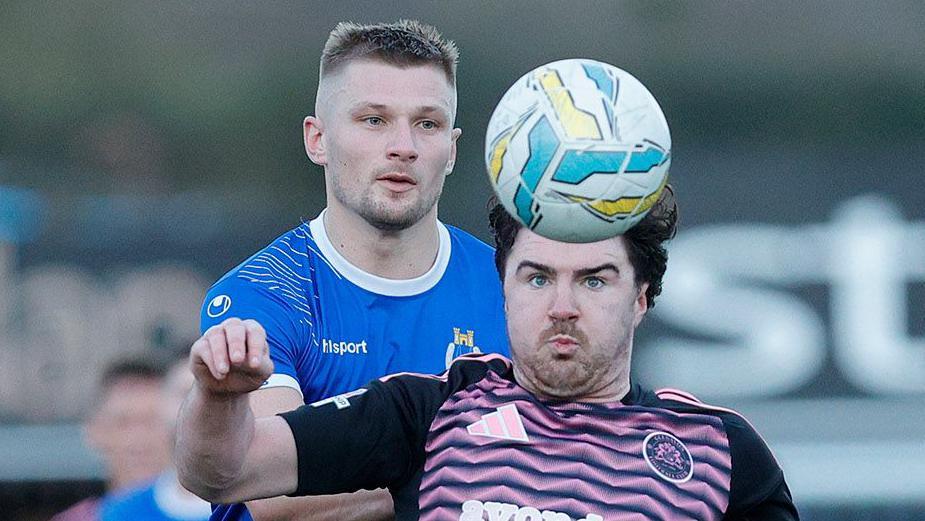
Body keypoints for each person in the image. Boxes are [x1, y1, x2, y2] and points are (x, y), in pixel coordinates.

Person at [176, 190, 800, 521]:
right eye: (536, 277)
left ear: (641, 298)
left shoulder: (718, 451)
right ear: (501, 288)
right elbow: (223, 474)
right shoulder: (426, 412)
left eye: (593, 280)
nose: (561, 305)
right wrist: (218, 397)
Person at [196, 20, 508, 521]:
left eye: (426, 124)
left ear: (451, 149)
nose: (403, 146)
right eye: (373, 120)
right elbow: (273, 497)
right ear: (317, 139)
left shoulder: (508, 286)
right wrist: (444, 481)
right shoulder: (265, 294)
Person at [52, 356, 174, 521]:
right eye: (123, 423)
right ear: (94, 431)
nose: (140, 439)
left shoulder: (210, 514)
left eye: (152, 421)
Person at [97, 357, 212, 521]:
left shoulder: (253, 504)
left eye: (218, 392)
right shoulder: (122, 512)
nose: (203, 405)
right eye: (186, 393)